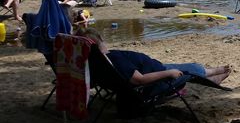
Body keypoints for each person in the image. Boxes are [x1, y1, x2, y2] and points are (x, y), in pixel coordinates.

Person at [81, 28, 231, 88]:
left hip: (150, 68)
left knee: (185, 67)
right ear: (100, 38)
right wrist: (168, 73)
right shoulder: (113, 59)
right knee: (189, 70)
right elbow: (138, 80)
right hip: (156, 75)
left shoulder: (95, 63)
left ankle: (210, 74)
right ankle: (212, 75)